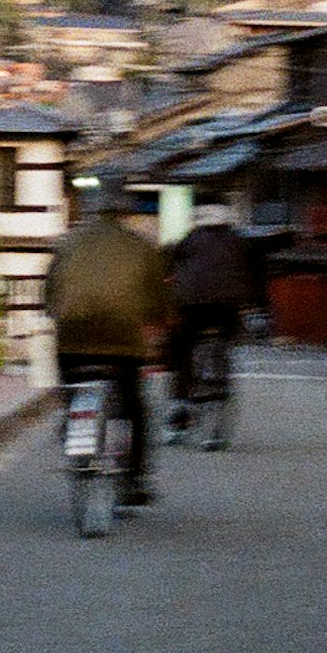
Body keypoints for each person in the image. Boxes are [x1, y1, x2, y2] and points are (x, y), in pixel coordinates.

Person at [43, 186, 173, 507]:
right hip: (123, 341)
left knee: (71, 383)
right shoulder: (141, 246)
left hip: (72, 337)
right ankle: (134, 479)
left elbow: (49, 293)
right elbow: (158, 301)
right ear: (123, 212)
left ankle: (72, 416)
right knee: (133, 405)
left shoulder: (67, 242)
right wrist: (159, 326)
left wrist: (55, 313)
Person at [165, 201, 254, 433]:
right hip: (227, 309)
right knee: (224, 341)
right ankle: (219, 380)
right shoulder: (238, 241)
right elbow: (252, 274)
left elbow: (170, 264)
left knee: (180, 348)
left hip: (191, 307)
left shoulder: (190, 239)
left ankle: (179, 401)